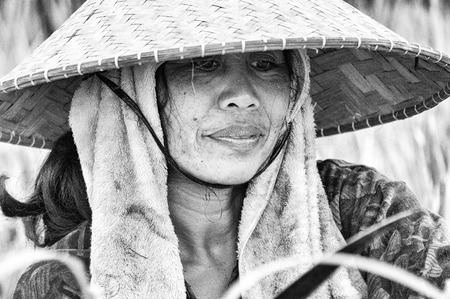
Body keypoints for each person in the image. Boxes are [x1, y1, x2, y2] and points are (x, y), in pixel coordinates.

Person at [1, 0, 450, 298]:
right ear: (134, 92)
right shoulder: (74, 280)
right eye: (202, 63)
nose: (243, 94)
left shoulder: (366, 215)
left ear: (297, 87)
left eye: (267, 63)